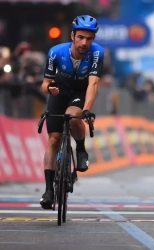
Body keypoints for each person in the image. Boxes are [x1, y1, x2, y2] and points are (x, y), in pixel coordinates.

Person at [39, 15, 104, 209]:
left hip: (80, 93)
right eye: (81, 37)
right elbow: (44, 83)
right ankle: (49, 190)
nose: (85, 43)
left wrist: (86, 110)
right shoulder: (55, 52)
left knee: (73, 115)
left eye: (89, 39)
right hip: (60, 91)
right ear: (73, 35)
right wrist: (49, 89)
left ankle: (81, 150)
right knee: (53, 139)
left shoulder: (97, 53)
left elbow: (93, 84)